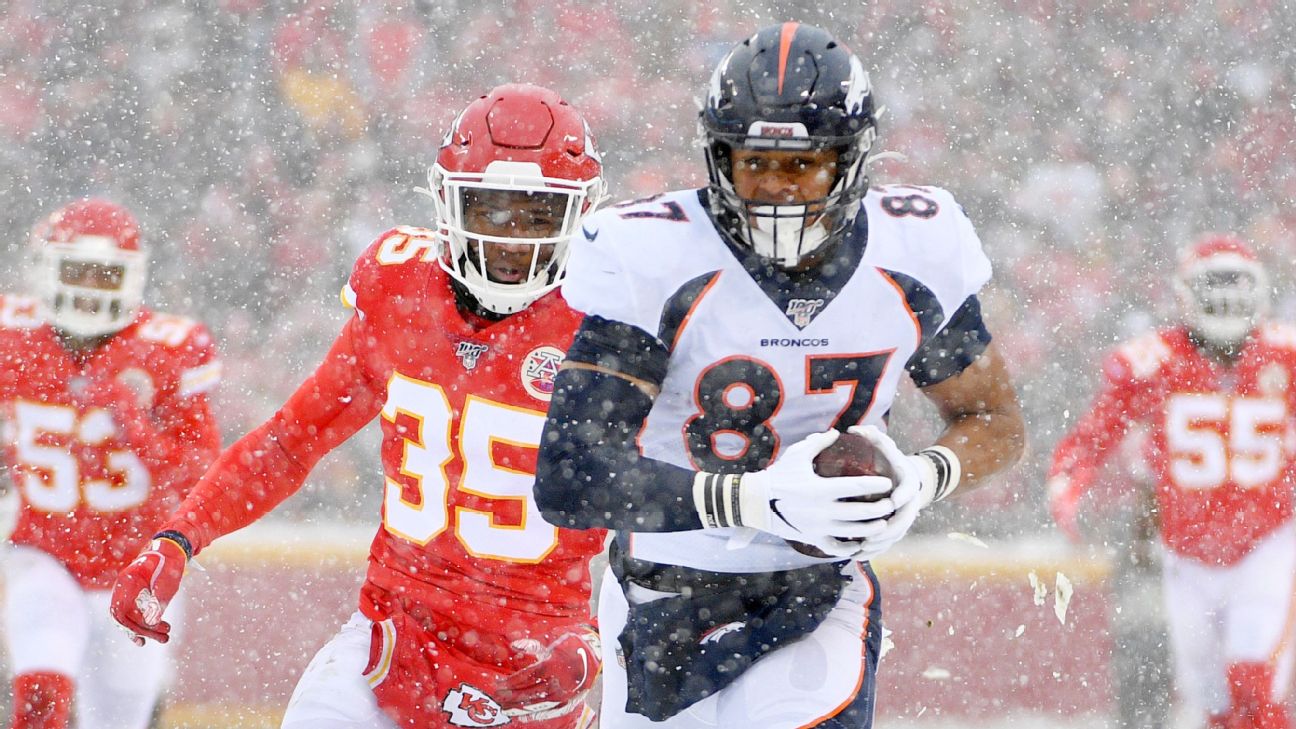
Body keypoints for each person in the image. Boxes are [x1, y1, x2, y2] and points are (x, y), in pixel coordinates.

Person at [533, 22, 1025, 728]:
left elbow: (994, 422)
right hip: (658, 601)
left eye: (800, 166)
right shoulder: (656, 254)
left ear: (851, 161)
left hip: (815, 593)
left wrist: (924, 476)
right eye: (753, 162)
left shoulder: (914, 251)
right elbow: (570, 474)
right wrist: (752, 499)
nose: (772, 188)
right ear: (718, 156)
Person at [109, 84, 608, 729]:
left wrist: (599, 641)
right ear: (448, 201)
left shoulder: (609, 323)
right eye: (488, 208)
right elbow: (293, 439)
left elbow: (668, 508)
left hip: (535, 657)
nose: (511, 238)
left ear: (579, 214)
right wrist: (179, 536)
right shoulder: (403, 293)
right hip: (396, 634)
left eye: (537, 215)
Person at [1049, 235, 1296, 729]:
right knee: (1216, 704)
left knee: (1252, 680)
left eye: (1235, 283)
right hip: (1185, 553)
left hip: (1269, 544)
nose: (1225, 298)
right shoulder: (1156, 361)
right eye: (1215, 283)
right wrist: (1070, 489)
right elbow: (1093, 437)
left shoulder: (1283, 356)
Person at [0, 198, 222, 729]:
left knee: (121, 718)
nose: (89, 287)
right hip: (43, 553)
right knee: (39, 699)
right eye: (77, 271)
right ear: (45, 267)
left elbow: (200, 474)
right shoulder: (13, 338)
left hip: (136, 567)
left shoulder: (168, 348)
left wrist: (137, 426)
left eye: (105, 274)